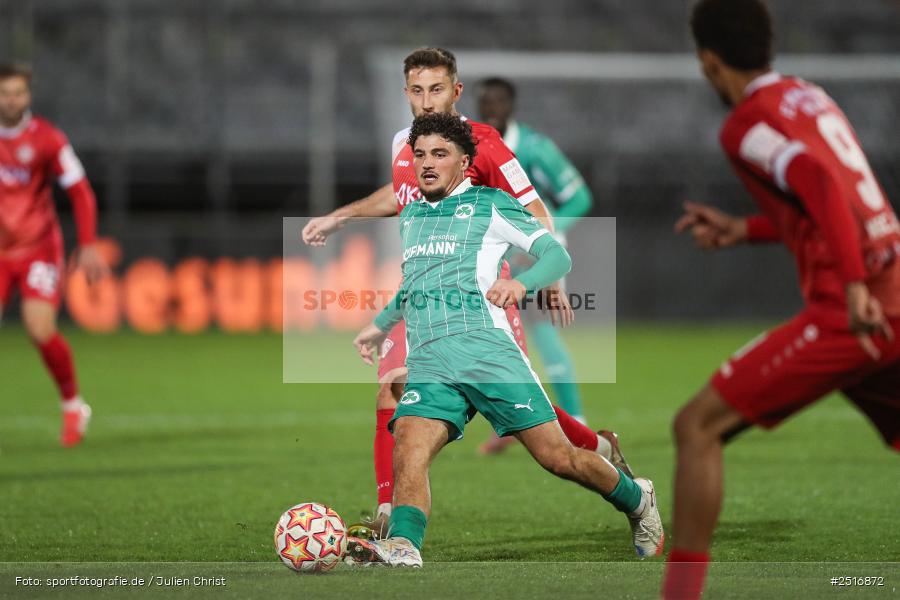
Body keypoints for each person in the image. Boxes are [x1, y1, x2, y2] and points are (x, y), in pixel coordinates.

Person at [301, 48, 630, 535]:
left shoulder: (485, 144)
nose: (426, 100)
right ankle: (391, 516)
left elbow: (534, 208)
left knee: (524, 419)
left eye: (436, 89)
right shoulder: (406, 143)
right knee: (391, 387)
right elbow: (399, 193)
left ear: (456, 91)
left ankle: (598, 449)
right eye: (417, 90)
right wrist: (341, 215)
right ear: (406, 93)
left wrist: (546, 275)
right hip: (424, 296)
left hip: (480, 303)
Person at [347, 113, 663, 566]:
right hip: (434, 363)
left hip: (491, 359)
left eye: (440, 154)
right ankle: (404, 545)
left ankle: (638, 498)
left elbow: (556, 255)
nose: (428, 163)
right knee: (409, 448)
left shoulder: (490, 204)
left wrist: (523, 284)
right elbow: (415, 281)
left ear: (464, 160)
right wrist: (380, 324)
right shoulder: (413, 214)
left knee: (561, 459)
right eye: (419, 155)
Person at [663, 1, 900, 597]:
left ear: (709, 61)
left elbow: (818, 182)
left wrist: (850, 286)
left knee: (696, 428)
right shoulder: (809, 96)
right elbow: (837, 198)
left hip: (857, 308)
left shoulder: (746, 124)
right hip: (894, 287)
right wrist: (746, 228)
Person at [477, 76, 594, 454]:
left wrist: (540, 237)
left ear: (512, 107)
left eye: (499, 102)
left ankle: (578, 425)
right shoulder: (472, 146)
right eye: (486, 102)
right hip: (494, 259)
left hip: (532, 255)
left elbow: (579, 198)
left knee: (543, 331)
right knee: (504, 340)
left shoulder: (533, 148)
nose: (491, 109)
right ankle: (514, 423)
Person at [0, 62, 106, 446]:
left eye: (18, 92)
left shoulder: (47, 139)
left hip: (38, 248)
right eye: (5, 92)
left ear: (28, 96)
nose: (11, 99)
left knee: (39, 328)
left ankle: (72, 405)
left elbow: (79, 190)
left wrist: (88, 243)